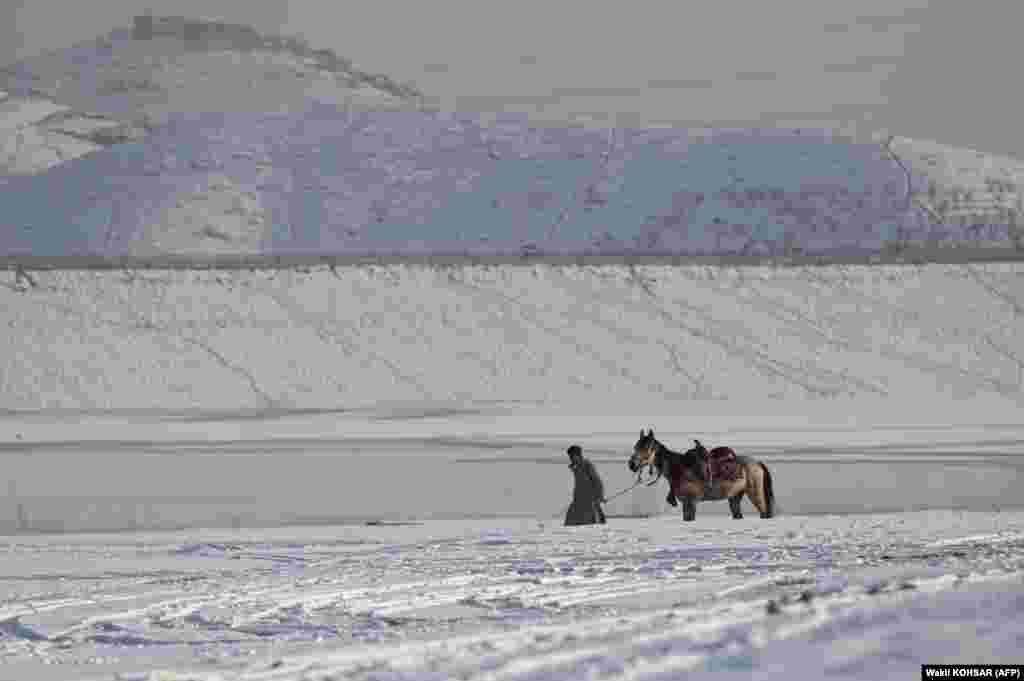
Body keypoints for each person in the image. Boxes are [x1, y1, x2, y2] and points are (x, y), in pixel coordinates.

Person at [564, 444, 607, 525]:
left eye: (572, 456)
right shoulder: (575, 467)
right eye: (570, 456)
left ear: (578, 455)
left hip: (589, 501)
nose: (571, 458)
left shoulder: (587, 465)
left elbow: (597, 481)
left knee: (590, 524)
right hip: (578, 500)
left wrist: (600, 496)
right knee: (570, 523)